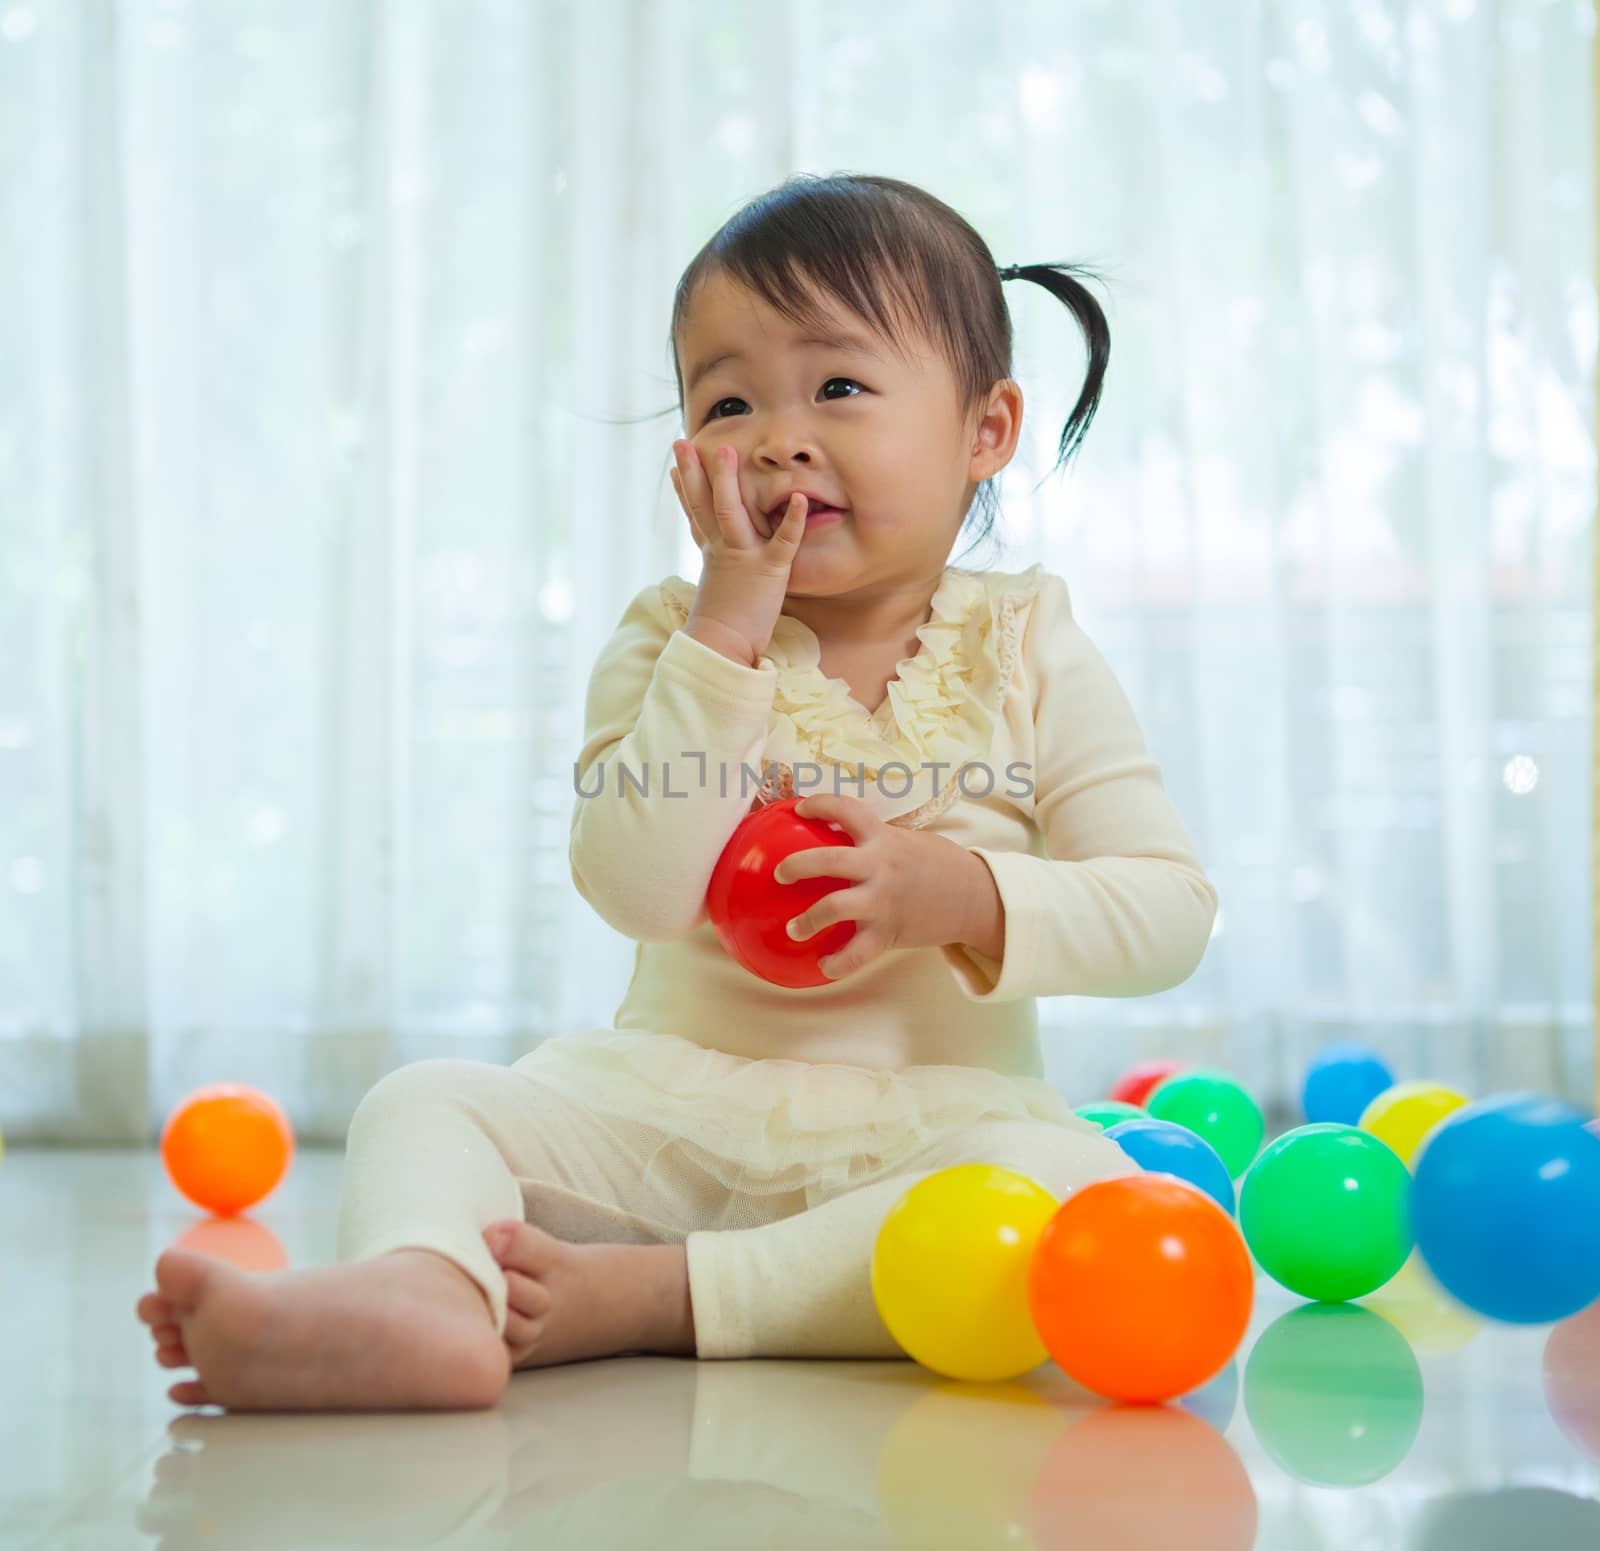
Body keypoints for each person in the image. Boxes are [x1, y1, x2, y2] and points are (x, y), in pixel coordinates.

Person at [134, 172, 1218, 1411]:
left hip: (932, 1136)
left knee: (1053, 1193)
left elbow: (1169, 910)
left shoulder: (1027, 643)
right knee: (427, 1101)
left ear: (986, 431)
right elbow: (635, 889)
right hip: (670, 1117)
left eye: (839, 387)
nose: (777, 437)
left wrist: (962, 895)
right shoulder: (670, 638)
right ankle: (426, 1293)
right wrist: (725, 636)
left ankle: (660, 1297)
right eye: (728, 400)